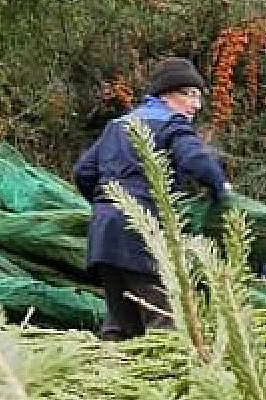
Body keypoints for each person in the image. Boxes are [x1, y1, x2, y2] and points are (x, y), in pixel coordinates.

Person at [74, 57, 232, 340]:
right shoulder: (171, 125)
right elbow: (196, 160)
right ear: (167, 94)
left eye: (199, 97)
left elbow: (83, 172)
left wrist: (106, 205)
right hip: (142, 232)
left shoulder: (118, 125)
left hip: (104, 234)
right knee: (166, 320)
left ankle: (110, 379)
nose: (197, 105)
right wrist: (222, 188)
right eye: (191, 95)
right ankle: (170, 381)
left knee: (120, 326)